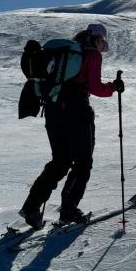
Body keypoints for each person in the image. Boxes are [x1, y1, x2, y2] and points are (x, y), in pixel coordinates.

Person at [20, 22, 124, 227]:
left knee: (60, 161)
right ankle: (68, 210)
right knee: (83, 162)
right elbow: (95, 88)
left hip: (52, 110)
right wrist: (114, 87)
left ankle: (31, 207)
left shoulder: (64, 53)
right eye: (101, 41)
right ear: (96, 39)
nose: (102, 45)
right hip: (77, 110)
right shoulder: (92, 55)